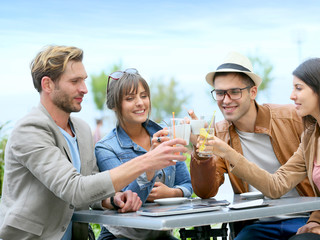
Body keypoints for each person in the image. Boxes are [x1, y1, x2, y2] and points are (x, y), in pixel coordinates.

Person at [0, 45, 188, 240]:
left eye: (84, 80)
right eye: (75, 81)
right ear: (47, 85)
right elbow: (75, 189)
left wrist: (112, 199)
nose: (84, 89)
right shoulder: (29, 130)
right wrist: (148, 160)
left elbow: (93, 187)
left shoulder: (81, 129)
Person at [201, 57, 320, 240]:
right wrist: (226, 152)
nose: (292, 96)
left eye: (299, 88)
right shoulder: (310, 137)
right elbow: (276, 186)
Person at [189, 51, 315, 240]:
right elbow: (206, 192)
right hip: (257, 226)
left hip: (304, 219)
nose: (226, 99)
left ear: (253, 92)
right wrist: (201, 154)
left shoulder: (291, 118)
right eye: (220, 93)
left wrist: (319, 218)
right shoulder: (219, 133)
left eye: (234, 92)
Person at [95, 68, 193, 240]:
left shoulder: (166, 136)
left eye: (143, 95)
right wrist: (150, 165)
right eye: (130, 98)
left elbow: (186, 184)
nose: (140, 103)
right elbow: (127, 201)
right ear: (115, 106)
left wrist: (172, 193)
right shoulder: (106, 148)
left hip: (159, 235)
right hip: (120, 236)